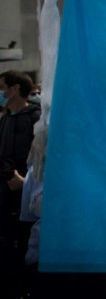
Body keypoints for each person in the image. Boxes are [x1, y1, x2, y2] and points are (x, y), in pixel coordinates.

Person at [0, 70, 40, 297]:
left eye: (2, 87)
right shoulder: (5, 119)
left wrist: (25, 183)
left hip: (28, 196)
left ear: (14, 89)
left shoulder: (36, 119)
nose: (1, 92)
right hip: (5, 195)